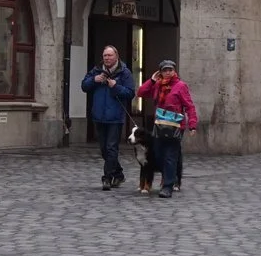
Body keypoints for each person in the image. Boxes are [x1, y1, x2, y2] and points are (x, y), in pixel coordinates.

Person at [82, 47, 136, 190]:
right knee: (104, 150)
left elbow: (130, 93)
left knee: (112, 148)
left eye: (110, 55)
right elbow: (84, 86)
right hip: (99, 116)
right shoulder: (96, 70)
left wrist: (116, 87)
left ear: (116, 56)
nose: (107, 58)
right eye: (105, 55)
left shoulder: (124, 72)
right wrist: (94, 80)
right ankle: (118, 174)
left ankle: (107, 178)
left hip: (115, 117)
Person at [145, 61, 194, 198]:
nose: (168, 72)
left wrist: (192, 124)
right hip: (160, 125)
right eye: (165, 70)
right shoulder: (157, 85)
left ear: (174, 71)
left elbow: (189, 106)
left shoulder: (180, 86)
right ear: (160, 71)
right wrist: (152, 80)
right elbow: (141, 92)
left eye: (170, 69)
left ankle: (168, 186)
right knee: (159, 155)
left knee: (171, 156)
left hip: (176, 127)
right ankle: (167, 179)